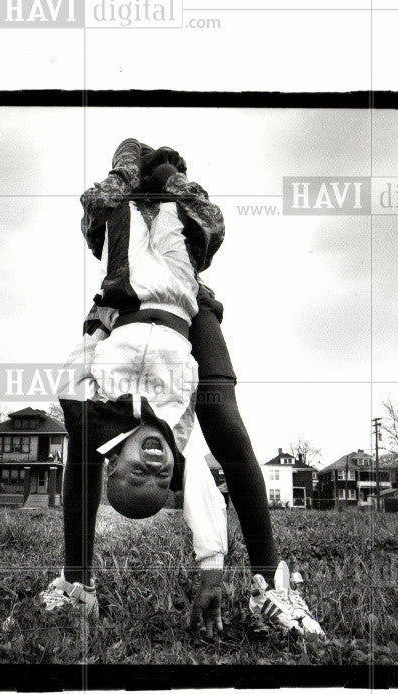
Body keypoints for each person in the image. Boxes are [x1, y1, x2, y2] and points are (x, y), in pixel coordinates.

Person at [41, 138, 324, 638]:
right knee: (220, 421)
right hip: (174, 311)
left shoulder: (96, 415)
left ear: (116, 461)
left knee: (213, 425)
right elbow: (199, 492)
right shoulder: (176, 438)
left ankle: (267, 588)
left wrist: (94, 334)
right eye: (158, 481)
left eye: (134, 476)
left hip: (147, 306)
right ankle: (81, 583)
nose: (152, 469)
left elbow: (73, 381)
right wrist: (211, 566)